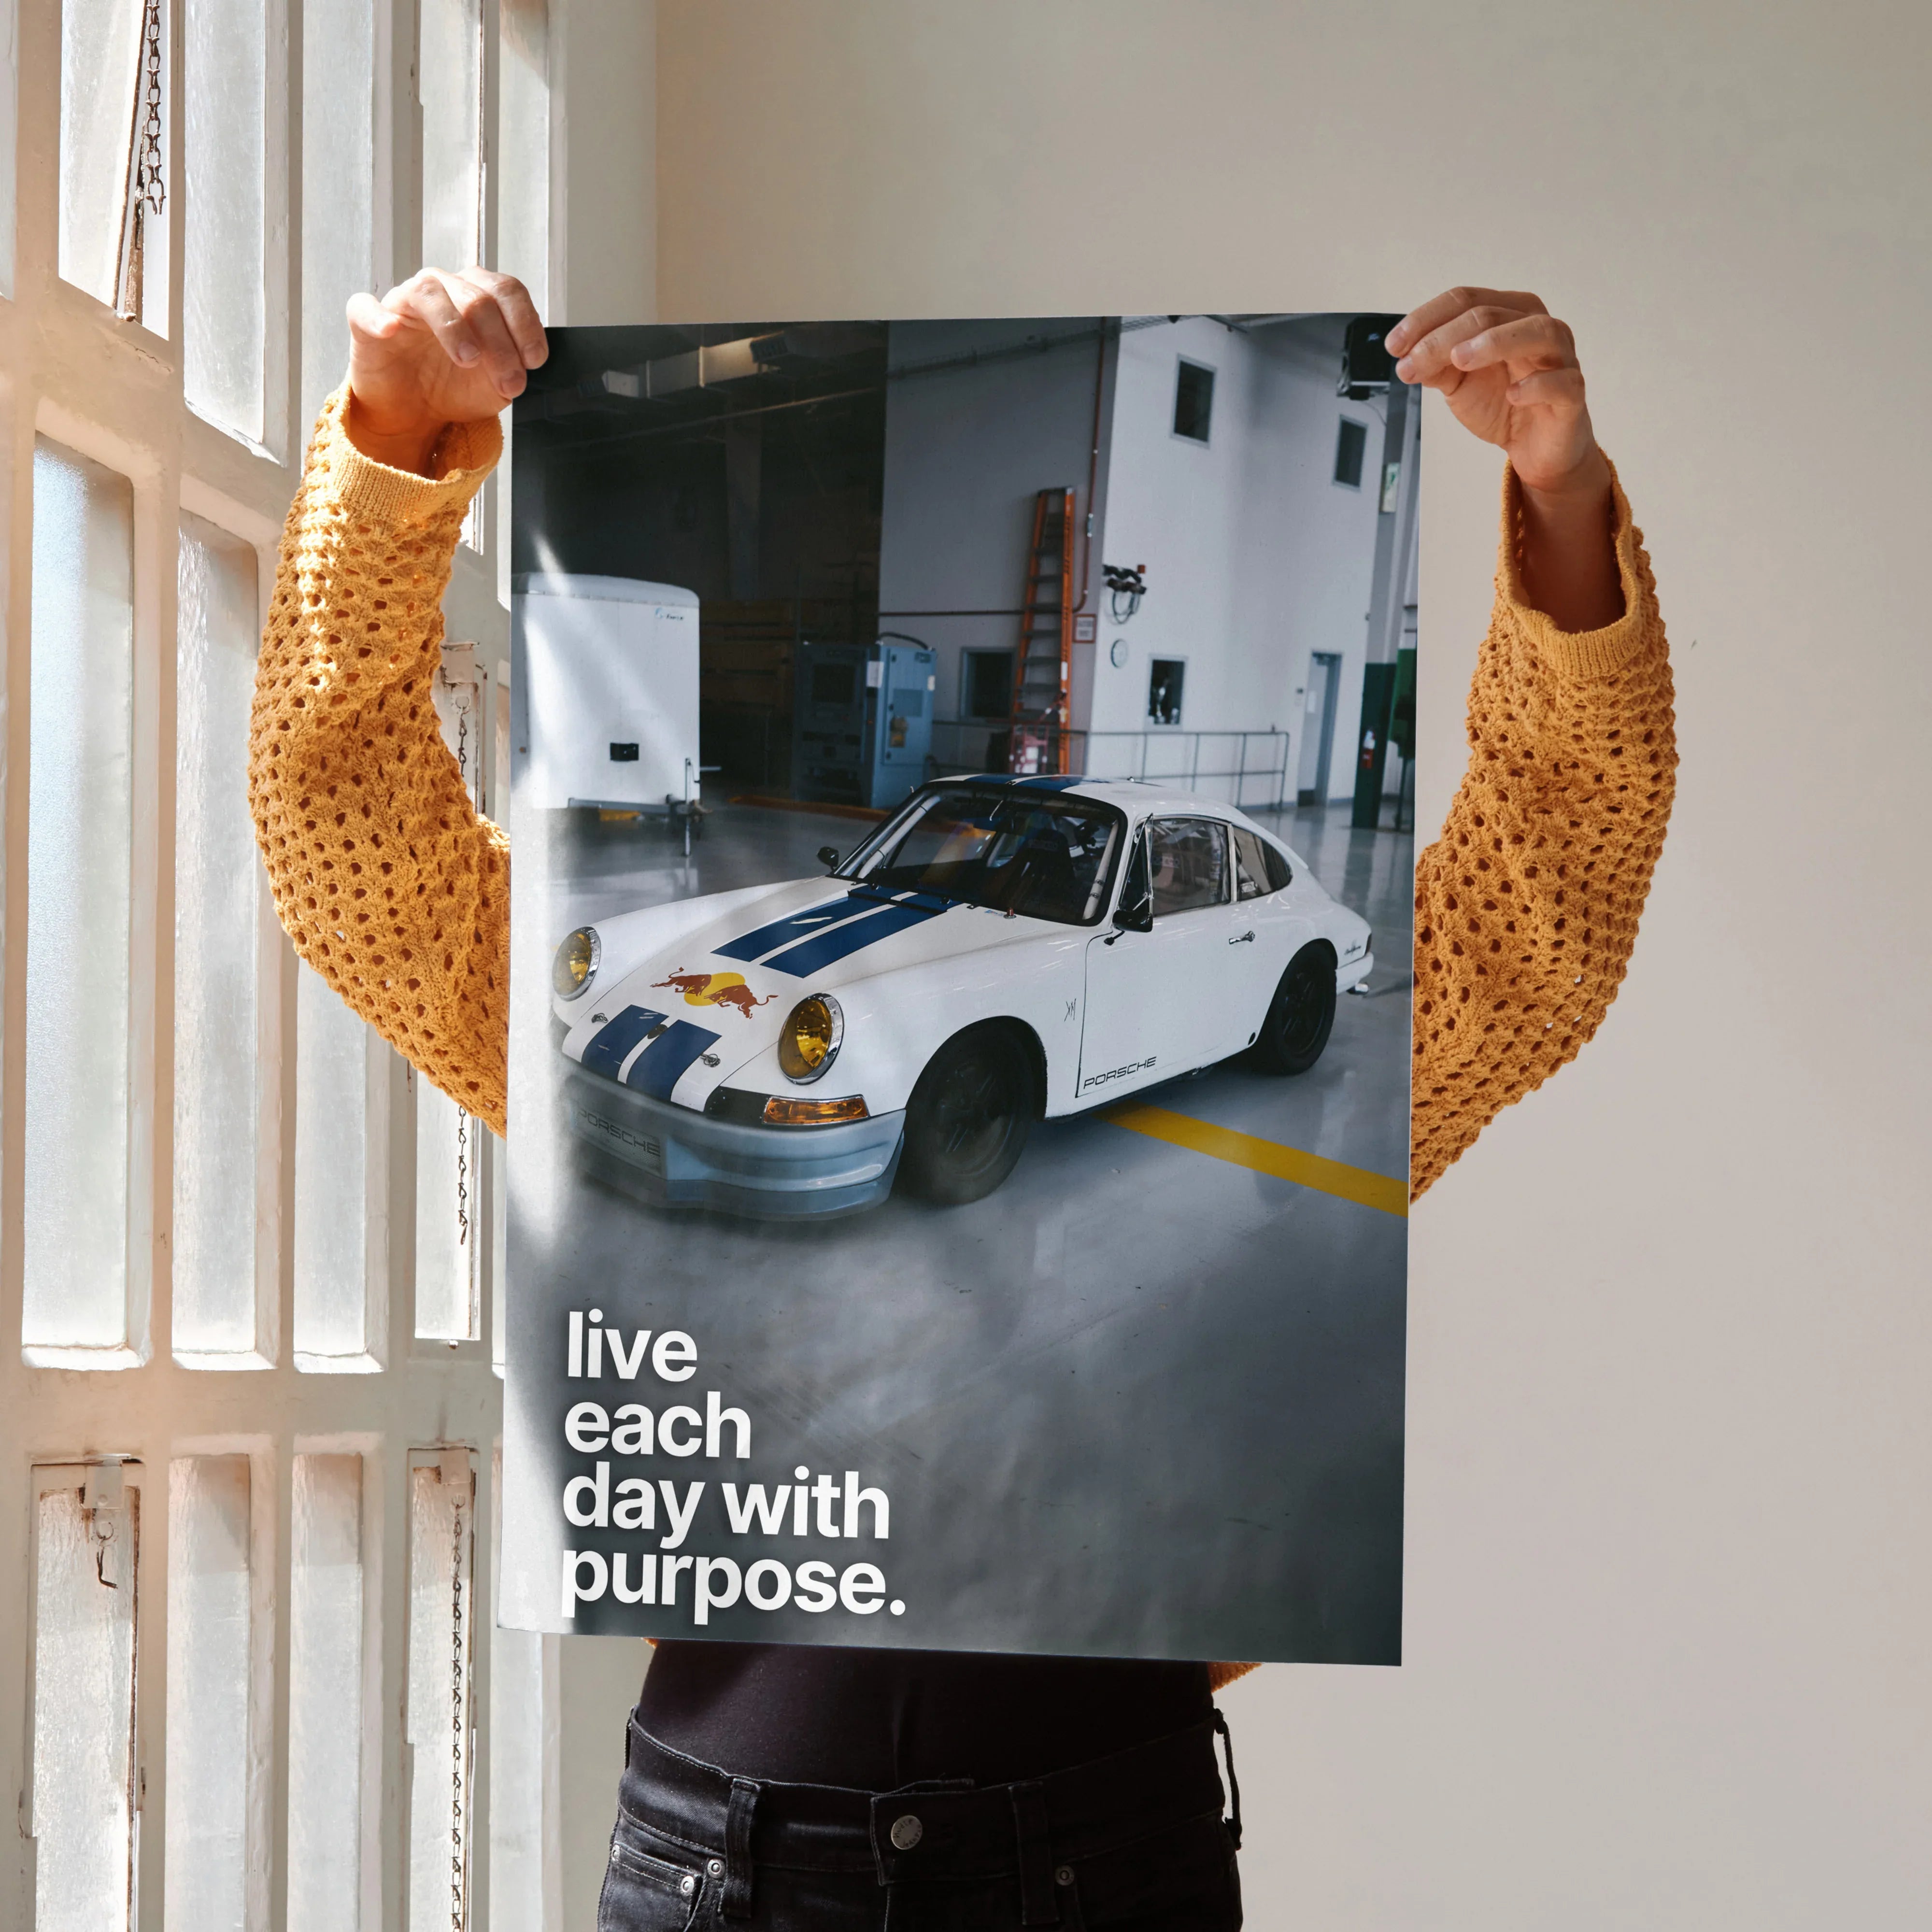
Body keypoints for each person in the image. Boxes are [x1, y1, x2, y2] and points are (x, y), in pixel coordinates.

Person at [249, 273, 1675, 1927]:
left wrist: (1560, 498)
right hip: (726, 1858)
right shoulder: (698, 982)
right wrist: (391, 449)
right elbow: (351, 851)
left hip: (1101, 1842)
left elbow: (1543, 914)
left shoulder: (1266, 1077)